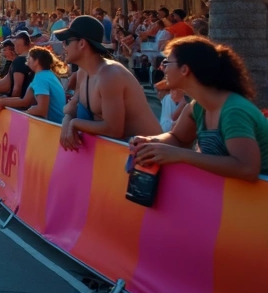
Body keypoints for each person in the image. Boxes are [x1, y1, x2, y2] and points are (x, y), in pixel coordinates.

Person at [131, 36, 268, 180]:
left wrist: (180, 155)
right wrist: (149, 142)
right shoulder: (197, 107)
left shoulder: (234, 111)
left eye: (166, 62)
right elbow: (177, 138)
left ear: (185, 69)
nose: (162, 68)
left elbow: (247, 168)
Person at [56, 16, 162, 149]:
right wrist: (67, 121)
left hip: (153, 158)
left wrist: (75, 123)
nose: (63, 46)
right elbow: (70, 109)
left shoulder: (110, 75)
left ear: (82, 43)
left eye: (66, 42)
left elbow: (114, 129)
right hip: (126, 154)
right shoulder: (83, 73)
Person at [0, 47, 67, 122]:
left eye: (29, 58)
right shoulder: (46, 75)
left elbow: (41, 110)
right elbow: (25, 101)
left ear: (36, 61)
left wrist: (21, 115)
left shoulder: (41, 78)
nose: (26, 61)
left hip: (53, 126)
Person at [0, 32, 32, 99]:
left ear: (17, 45)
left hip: (20, 105)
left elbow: (17, 89)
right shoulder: (34, 59)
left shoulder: (19, 61)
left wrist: (9, 102)